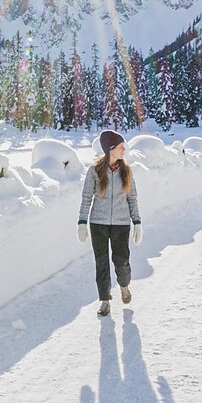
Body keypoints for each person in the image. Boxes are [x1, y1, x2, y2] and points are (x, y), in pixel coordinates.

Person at [78, 130, 142, 316]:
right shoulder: (95, 170)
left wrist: (137, 222)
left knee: (121, 261)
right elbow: (86, 197)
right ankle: (105, 300)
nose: (124, 149)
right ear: (110, 149)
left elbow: (132, 198)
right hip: (98, 223)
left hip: (121, 224)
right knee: (101, 263)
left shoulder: (126, 171)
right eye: (121, 146)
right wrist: (82, 222)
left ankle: (124, 285)